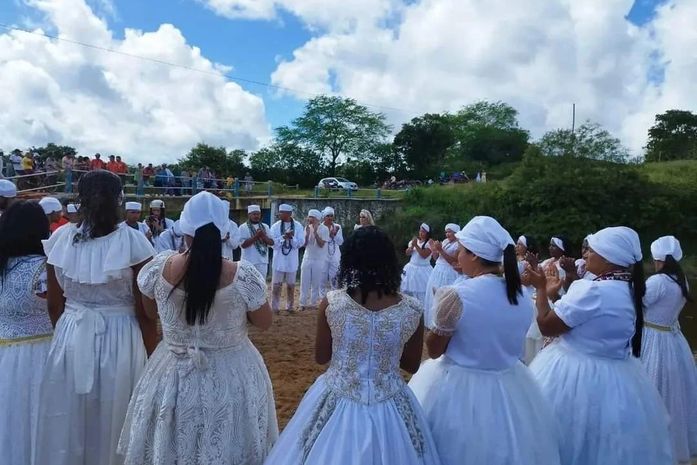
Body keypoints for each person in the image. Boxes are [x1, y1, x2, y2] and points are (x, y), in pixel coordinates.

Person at [118, 191, 278, 465]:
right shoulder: (242, 274)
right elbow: (264, 322)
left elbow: (149, 312)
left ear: (184, 228)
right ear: (223, 229)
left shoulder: (159, 268)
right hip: (232, 374)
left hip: (171, 371)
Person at [264, 226, 440, 465]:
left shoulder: (332, 303)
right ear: (389, 261)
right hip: (390, 401)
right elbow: (411, 365)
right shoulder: (411, 309)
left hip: (338, 394)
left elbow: (321, 357)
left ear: (350, 260)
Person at [408, 216, 560, 465]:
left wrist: (441, 322)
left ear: (475, 255)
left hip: (456, 386)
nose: (458, 255)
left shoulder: (457, 295)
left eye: (462, 250)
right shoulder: (520, 297)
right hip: (510, 386)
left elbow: (434, 350)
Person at [34, 170, 158, 465]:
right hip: (122, 338)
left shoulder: (61, 238)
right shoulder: (135, 242)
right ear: (119, 199)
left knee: (71, 416)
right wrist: (154, 357)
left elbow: (55, 303)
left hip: (71, 334)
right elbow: (145, 312)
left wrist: (65, 336)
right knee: (117, 414)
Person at [526, 226, 675, 465]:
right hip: (618, 377)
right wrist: (558, 295)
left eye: (591, 251)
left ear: (607, 256)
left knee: (564, 438)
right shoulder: (631, 289)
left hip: (572, 374)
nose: (585, 255)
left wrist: (541, 288)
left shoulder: (592, 290)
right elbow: (588, 320)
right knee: (600, 443)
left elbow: (546, 326)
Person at [0, 201, 53, 465]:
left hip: (5, 352)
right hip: (41, 355)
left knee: (10, 421)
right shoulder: (45, 267)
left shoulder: (4, 265)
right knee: (36, 421)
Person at [641, 235, 697, 464]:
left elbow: (637, 302)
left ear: (658, 259)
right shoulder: (681, 280)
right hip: (674, 340)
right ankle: (672, 441)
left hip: (654, 339)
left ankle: (652, 443)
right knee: (674, 393)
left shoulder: (658, 282)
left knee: (653, 387)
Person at [423, 223, 460, 327]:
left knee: (443, 297)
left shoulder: (459, 245)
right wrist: (434, 249)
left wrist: (440, 250)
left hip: (448, 272)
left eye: (449, 231)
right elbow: (436, 258)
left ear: (456, 232)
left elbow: (454, 261)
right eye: (446, 232)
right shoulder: (445, 242)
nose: (447, 234)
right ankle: (432, 322)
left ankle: (442, 322)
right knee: (433, 294)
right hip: (438, 270)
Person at [270, 204, 305, 314]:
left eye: (281, 212)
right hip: (278, 260)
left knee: (291, 285)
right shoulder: (275, 226)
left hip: (292, 260)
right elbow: (272, 244)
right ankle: (275, 307)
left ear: (288, 214)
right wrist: (283, 237)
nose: (279, 214)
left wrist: (292, 238)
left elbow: (300, 243)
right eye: (279, 212)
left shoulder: (298, 226)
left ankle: (289, 307)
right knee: (276, 285)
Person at [299, 209, 330, 311]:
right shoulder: (307, 227)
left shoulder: (324, 229)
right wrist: (307, 234)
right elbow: (304, 244)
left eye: (312, 217)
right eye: (309, 217)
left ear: (317, 219)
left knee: (315, 282)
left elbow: (321, 245)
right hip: (307, 257)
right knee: (304, 281)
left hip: (319, 259)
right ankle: (302, 303)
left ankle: (313, 303)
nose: (309, 219)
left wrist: (316, 233)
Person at [400, 223, 433, 305]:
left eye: (423, 232)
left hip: (423, 270)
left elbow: (424, 255)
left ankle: (422, 308)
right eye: (420, 231)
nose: (421, 233)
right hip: (411, 267)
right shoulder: (413, 241)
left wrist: (416, 246)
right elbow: (407, 253)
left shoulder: (430, 243)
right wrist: (411, 247)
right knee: (408, 289)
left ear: (427, 233)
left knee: (422, 291)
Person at [239, 205, 273, 278]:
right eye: (254, 214)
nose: (256, 216)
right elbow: (243, 245)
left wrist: (263, 236)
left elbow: (271, 242)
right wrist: (256, 236)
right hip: (248, 262)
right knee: (248, 284)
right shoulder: (243, 227)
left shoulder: (265, 227)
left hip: (262, 261)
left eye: (258, 214)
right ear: (249, 215)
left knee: (261, 284)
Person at [322, 207, 343, 291]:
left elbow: (340, 242)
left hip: (335, 254)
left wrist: (334, 235)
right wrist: (328, 235)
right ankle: (321, 296)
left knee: (334, 275)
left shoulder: (337, 226)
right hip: (323, 254)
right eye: (328, 216)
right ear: (324, 217)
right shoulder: (320, 227)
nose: (330, 218)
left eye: (331, 216)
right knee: (322, 275)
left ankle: (334, 294)